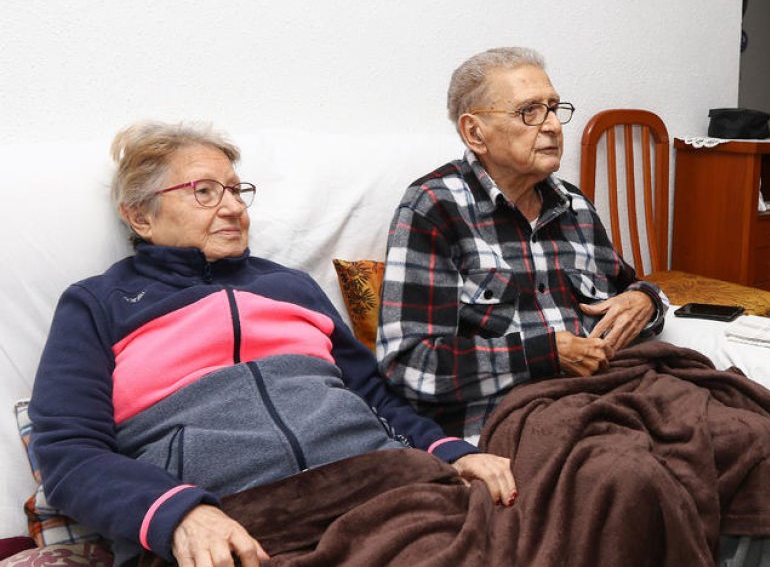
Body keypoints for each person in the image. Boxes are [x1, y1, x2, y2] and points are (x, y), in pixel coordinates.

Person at [28, 122, 516, 567]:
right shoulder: (98, 304)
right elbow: (69, 452)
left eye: (238, 191)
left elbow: (375, 397)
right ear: (140, 217)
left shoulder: (291, 285)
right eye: (204, 192)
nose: (234, 207)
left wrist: (451, 451)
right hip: (232, 519)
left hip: (376, 485)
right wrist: (177, 514)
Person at [376, 47, 668, 440]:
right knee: (627, 471)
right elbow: (410, 365)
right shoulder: (433, 207)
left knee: (746, 431)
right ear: (475, 132)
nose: (552, 125)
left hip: (609, 396)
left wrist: (645, 300)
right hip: (513, 418)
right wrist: (544, 355)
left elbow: (625, 289)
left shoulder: (574, 204)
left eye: (553, 107)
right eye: (529, 111)